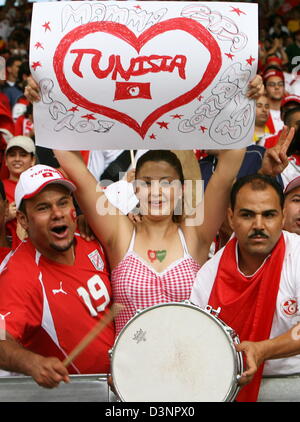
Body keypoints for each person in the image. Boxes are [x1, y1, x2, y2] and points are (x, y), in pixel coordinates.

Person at [0, 164, 115, 388]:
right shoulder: (18, 274)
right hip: (76, 393)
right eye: (43, 208)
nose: (57, 213)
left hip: (122, 387)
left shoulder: (91, 235)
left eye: (63, 202)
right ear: (23, 220)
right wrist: (31, 362)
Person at [190, 172, 300, 402]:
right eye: (247, 215)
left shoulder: (297, 256)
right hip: (228, 384)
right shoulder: (209, 275)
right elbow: (195, 341)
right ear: (231, 218)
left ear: (281, 218)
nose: (258, 225)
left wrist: (262, 350)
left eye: (268, 215)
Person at [2, 135, 36, 249]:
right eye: (12, 155)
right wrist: (4, 217)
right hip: (7, 254)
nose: (17, 159)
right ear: (5, 161)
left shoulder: (41, 186)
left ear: (33, 160)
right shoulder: (0, 188)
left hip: (40, 251)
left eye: (23, 155)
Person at [263, 68, 285, 133]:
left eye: (280, 84)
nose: (277, 87)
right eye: (272, 84)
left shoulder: (291, 112)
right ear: (264, 89)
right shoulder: (259, 113)